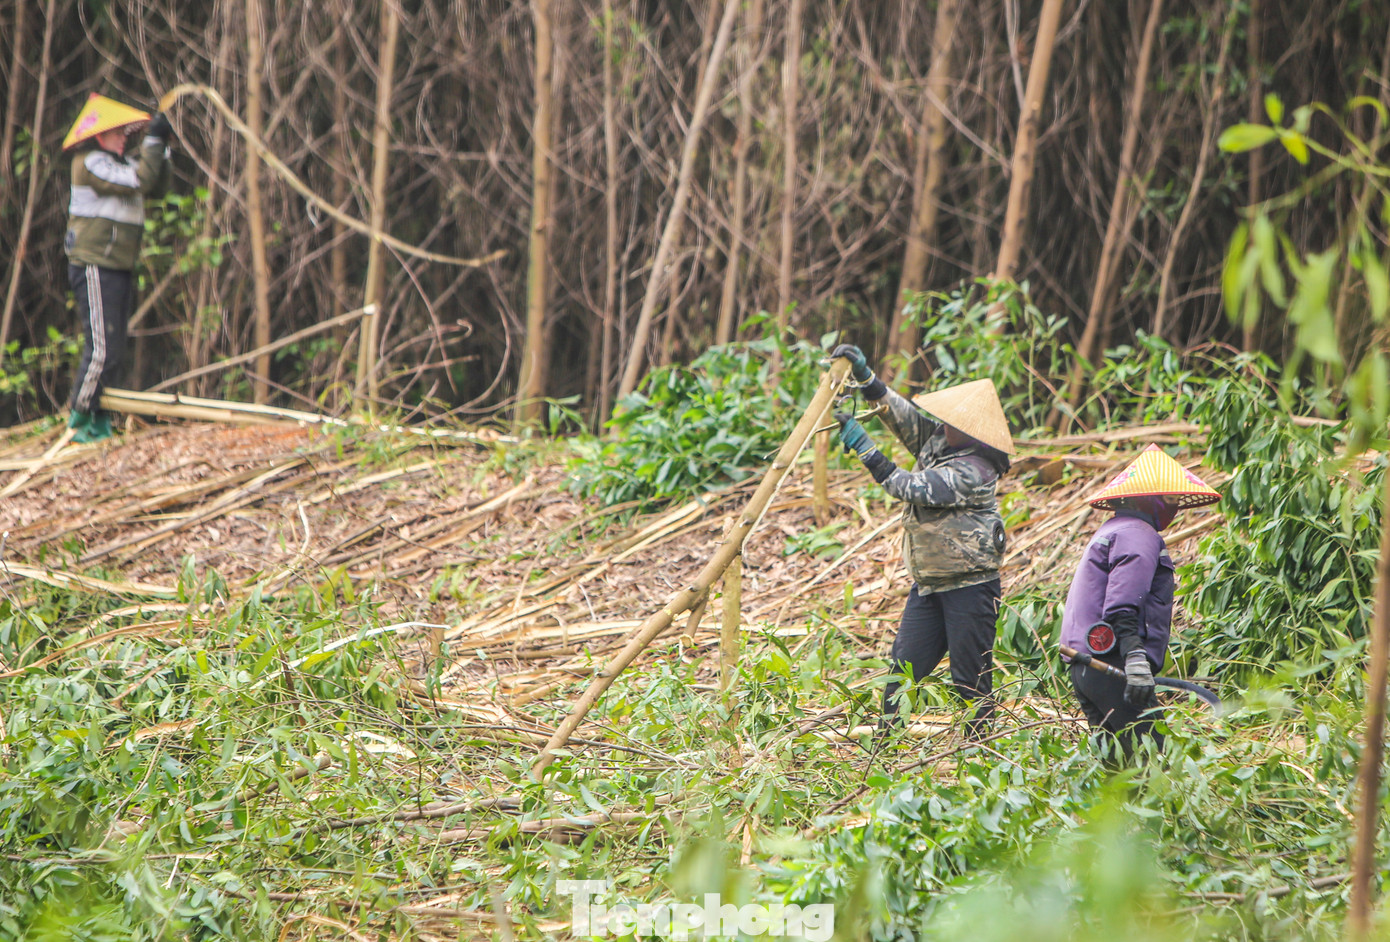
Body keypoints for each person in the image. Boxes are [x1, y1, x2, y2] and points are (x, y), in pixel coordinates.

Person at [829, 344, 1014, 739]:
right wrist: (867, 379)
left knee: (970, 679)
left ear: (972, 430)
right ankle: (885, 748)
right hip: (929, 586)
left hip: (971, 588)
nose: (940, 423)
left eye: (950, 420)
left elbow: (911, 487)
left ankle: (980, 752)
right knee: (903, 670)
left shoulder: (975, 469)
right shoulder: (943, 442)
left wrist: (865, 448)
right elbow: (902, 417)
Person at [1060, 444, 1221, 757]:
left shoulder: (1114, 529)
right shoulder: (1138, 534)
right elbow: (1122, 605)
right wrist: (1135, 659)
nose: (1174, 508)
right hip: (1110, 664)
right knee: (1150, 764)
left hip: (1085, 666)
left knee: (1117, 771)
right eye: (1171, 500)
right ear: (1152, 500)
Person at [60, 93, 173, 443]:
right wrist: (152, 141)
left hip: (117, 265)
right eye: (118, 132)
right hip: (94, 264)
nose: (125, 137)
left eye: (128, 132)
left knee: (115, 348)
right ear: (99, 135)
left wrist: (162, 146)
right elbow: (141, 180)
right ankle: (78, 418)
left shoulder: (120, 165)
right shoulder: (91, 161)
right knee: (102, 349)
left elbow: (156, 185)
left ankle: (99, 419)